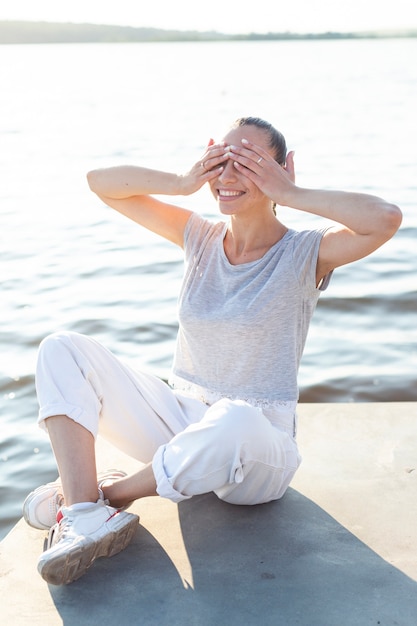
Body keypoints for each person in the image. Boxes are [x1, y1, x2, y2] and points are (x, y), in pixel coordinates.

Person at [23, 117, 402, 585]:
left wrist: (290, 193)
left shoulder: (307, 252)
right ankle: (83, 514)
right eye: (222, 158)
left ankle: (108, 497)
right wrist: (183, 183)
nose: (229, 174)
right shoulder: (199, 237)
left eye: (248, 162)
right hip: (183, 419)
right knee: (62, 348)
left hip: (258, 449)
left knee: (236, 418)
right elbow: (100, 183)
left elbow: (385, 219)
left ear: (285, 168)